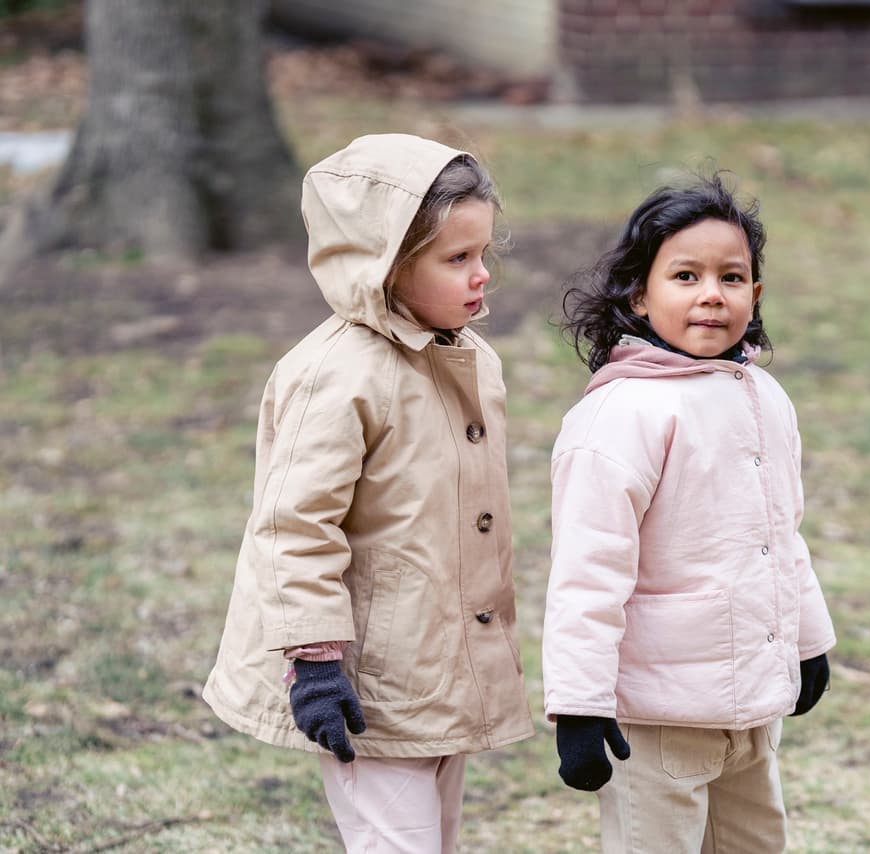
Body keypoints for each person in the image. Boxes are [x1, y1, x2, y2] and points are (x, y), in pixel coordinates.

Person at [202, 134, 533, 854]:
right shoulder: (337, 375)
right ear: (382, 265)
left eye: (484, 255)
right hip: (362, 684)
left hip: (434, 667)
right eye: (456, 259)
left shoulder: (466, 358)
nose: (481, 276)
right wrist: (314, 664)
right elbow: (293, 527)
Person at [542, 173, 837, 853]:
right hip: (657, 719)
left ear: (755, 295)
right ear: (640, 296)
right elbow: (588, 574)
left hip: (749, 709)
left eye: (732, 277)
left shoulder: (763, 396)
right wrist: (580, 708)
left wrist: (808, 639)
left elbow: (780, 536)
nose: (712, 293)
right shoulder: (621, 416)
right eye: (685, 275)